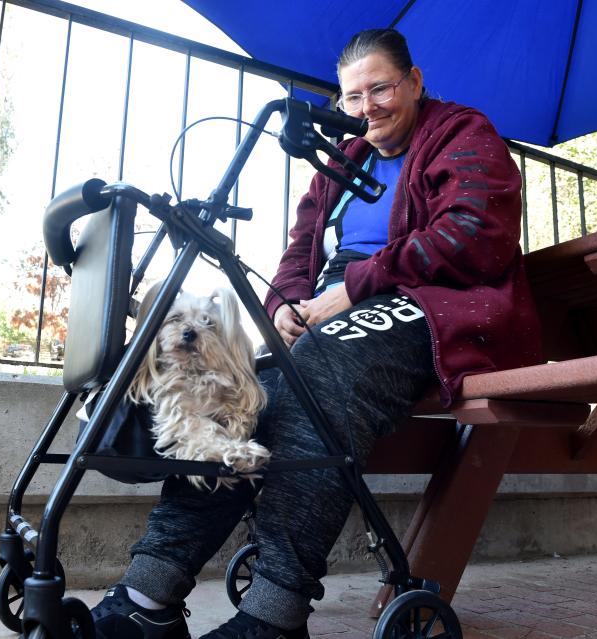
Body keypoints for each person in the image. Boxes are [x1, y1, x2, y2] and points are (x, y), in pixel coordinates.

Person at [90, 28, 541, 639]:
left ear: (415, 82)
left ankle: (274, 615)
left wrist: (356, 287)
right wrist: (283, 304)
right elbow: (300, 249)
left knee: (315, 381)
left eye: (380, 88)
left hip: (435, 306)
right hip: (334, 311)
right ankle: (149, 594)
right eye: (352, 98)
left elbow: (474, 232)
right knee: (236, 393)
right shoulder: (342, 160)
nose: (366, 108)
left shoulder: (464, 135)